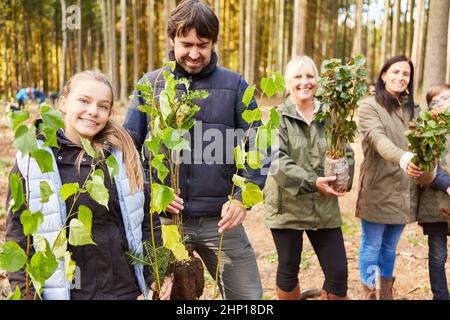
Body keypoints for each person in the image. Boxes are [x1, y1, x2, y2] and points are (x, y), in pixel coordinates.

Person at [123, 0, 265, 300]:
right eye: (186, 44)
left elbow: (260, 145)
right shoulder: (151, 85)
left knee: (248, 297)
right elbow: (127, 150)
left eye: (204, 44)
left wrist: (242, 199)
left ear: (213, 42)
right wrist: (152, 191)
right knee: (163, 296)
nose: (195, 53)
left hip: (220, 222)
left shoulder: (234, 84)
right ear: (172, 39)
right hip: (162, 224)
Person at [6, 70, 172, 300]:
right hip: (68, 293)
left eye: (103, 106)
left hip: (122, 291)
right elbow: (18, 236)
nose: (93, 111)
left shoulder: (124, 157)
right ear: (62, 103)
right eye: (84, 101)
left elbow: (145, 221)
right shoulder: (33, 161)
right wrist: (26, 295)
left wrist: (156, 272)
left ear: (110, 113)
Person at [263, 56, 354, 300]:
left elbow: (346, 152)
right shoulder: (276, 117)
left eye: (310, 76)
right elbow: (277, 161)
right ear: (287, 82)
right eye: (298, 77)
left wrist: (345, 178)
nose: (305, 82)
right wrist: (313, 182)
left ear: (318, 81)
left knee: (337, 272)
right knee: (289, 266)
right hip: (287, 204)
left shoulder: (331, 116)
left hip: (323, 206)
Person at [356, 55, 419, 300]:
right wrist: (405, 159)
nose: (400, 77)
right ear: (383, 75)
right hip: (378, 188)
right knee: (372, 244)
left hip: (405, 189)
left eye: (406, 74)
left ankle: (386, 294)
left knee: (390, 247)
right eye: (395, 72)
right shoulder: (369, 106)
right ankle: (371, 292)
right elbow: (377, 139)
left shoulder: (413, 110)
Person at [413, 84, 450, 300]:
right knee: (438, 256)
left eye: (448, 99)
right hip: (434, 206)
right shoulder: (425, 132)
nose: (444, 104)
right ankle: (441, 296)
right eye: (438, 101)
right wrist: (445, 182)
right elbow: (424, 167)